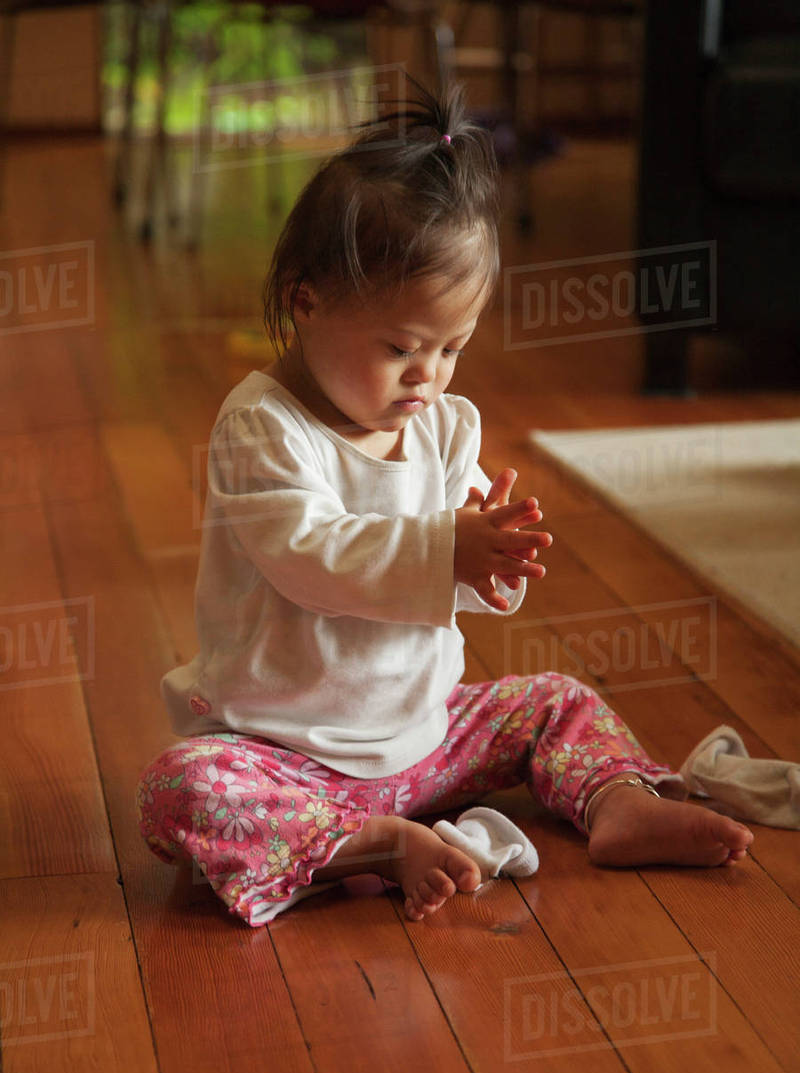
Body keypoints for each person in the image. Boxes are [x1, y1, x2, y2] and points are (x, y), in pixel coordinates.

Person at [135, 76, 754, 927]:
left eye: (452, 348)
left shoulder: (440, 424)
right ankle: (371, 844)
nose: (426, 377)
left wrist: (495, 558)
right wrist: (445, 549)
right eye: (401, 348)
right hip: (290, 758)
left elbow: (460, 566)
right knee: (180, 789)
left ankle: (618, 803)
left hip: (429, 737)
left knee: (556, 700)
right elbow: (312, 559)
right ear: (306, 302)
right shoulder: (262, 429)